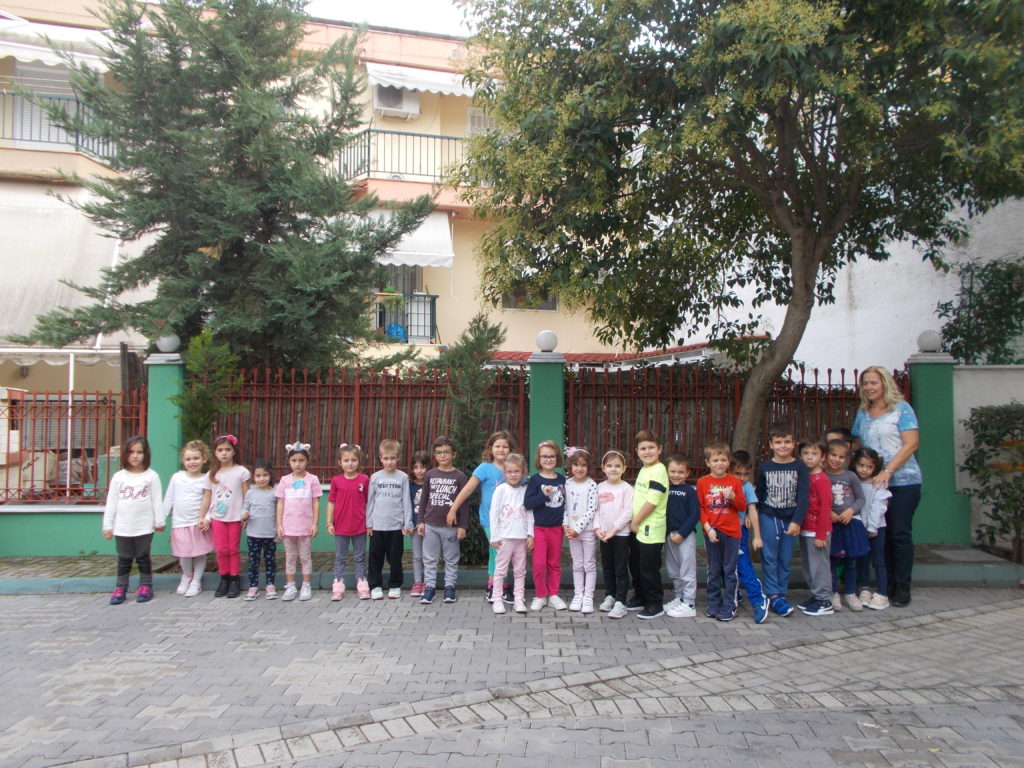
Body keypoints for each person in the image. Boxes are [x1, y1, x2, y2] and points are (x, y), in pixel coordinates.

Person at [852, 365, 922, 607]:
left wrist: (888, 470)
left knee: (898, 532)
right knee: (880, 533)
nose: (869, 387)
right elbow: (859, 445)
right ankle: (886, 584)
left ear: (884, 384)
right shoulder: (863, 412)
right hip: (873, 486)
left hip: (904, 482)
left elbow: (911, 444)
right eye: (865, 383)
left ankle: (902, 587)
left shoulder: (902, 409)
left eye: (874, 382)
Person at [447, 431, 515, 603]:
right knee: (498, 550)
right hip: (490, 519)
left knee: (502, 552)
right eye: (497, 446)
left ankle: (499, 585)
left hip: (510, 520)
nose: (501, 449)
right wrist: (453, 509)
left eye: (505, 446)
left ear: (510, 450)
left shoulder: (513, 469)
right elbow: (468, 490)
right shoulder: (484, 468)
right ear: (490, 448)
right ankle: (495, 587)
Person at [102, 435, 164, 604]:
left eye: (139, 452)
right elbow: (111, 502)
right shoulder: (119, 477)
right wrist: (107, 525)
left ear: (146, 454)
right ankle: (121, 587)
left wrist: (159, 521)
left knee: (143, 556)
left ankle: (146, 586)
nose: (135, 456)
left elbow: (157, 500)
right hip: (122, 527)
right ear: (125, 454)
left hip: (144, 525)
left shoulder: (152, 476)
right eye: (131, 452)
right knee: (124, 558)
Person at [755, 423, 809, 617]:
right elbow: (760, 494)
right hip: (768, 516)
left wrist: (797, 520)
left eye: (787, 442)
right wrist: (753, 517)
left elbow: (803, 496)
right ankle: (773, 595)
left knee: (785, 558)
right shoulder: (765, 467)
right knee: (769, 556)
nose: (783, 446)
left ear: (793, 443)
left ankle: (782, 593)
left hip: (790, 519)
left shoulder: (800, 467)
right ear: (771, 444)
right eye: (778, 442)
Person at [697, 441, 746, 622]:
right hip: (712, 532)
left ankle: (730, 605)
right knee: (714, 569)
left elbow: (742, 507)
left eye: (723, 460)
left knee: (729, 570)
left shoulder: (734, 482)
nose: (720, 463)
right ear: (708, 462)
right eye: (715, 460)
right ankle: (713, 603)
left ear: (728, 461)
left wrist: (732, 497)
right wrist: (707, 529)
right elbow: (701, 508)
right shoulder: (702, 482)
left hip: (732, 532)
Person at [198, 434, 250, 599]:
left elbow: (247, 495)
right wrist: (202, 517)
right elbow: (207, 497)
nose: (224, 453)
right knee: (221, 550)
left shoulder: (241, 472)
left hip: (235, 518)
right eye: (220, 450)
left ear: (234, 451)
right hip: (217, 518)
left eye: (227, 449)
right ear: (215, 453)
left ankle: (234, 579)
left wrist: (246, 514)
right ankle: (224, 578)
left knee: (233, 549)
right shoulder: (211, 474)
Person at [419, 436, 468, 605]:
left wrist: (462, 526)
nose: (442, 455)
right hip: (430, 525)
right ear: (434, 455)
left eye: (446, 452)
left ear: (454, 454)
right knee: (429, 558)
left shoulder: (460, 476)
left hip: (450, 527)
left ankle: (449, 587)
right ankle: (430, 588)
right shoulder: (430, 474)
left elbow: (464, 503)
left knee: (451, 558)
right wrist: (420, 521)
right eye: (439, 452)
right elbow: (424, 499)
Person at [164, 440, 213, 598]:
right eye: (188, 459)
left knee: (199, 553)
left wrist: (207, 519)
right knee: (184, 553)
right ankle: (187, 576)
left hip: (198, 523)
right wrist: (161, 518)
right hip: (180, 523)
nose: (192, 462)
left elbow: (210, 502)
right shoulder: (177, 478)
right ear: (183, 461)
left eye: (196, 458)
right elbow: (169, 498)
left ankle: (196, 581)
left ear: (204, 459)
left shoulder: (206, 479)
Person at [367, 439, 413, 600]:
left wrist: (407, 523)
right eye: (386, 458)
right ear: (380, 458)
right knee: (375, 557)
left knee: (395, 558)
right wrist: (369, 524)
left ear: (398, 457)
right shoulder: (375, 477)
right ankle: (375, 585)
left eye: (392, 458)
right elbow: (370, 502)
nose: (389, 462)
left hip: (396, 526)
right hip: (377, 526)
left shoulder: (403, 477)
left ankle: (395, 585)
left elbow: (406, 501)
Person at [824, 439, 868, 612]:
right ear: (826, 455)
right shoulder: (822, 476)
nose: (837, 459)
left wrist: (850, 511)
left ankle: (850, 593)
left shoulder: (851, 476)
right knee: (833, 561)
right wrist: (828, 512)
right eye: (833, 455)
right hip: (832, 525)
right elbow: (816, 500)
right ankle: (833, 592)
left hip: (850, 523)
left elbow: (861, 499)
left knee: (851, 560)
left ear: (847, 459)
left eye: (841, 457)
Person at [276, 442, 322, 602]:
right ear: (289, 461)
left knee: (305, 556)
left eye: (301, 460)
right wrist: (279, 524)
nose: (297, 464)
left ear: (307, 460)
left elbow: (316, 502)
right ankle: (290, 586)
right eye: (294, 460)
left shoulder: (312, 480)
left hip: (305, 526)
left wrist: (315, 523)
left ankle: (306, 585)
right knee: (290, 557)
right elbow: (280, 502)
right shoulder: (284, 480)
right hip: (288, 526)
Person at [524, 440, 567, 611]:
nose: (548, 459)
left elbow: (567, 504)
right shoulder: (535, 480)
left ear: (557, 458)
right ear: (539, 459)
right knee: (539, 564)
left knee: (554, 563)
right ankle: (541, 595)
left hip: (557, 529)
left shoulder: (563, 480)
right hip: (539, 529)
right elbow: (528, 503)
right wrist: (543, 495)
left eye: (552, 456)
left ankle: (553, 594)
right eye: (544, 456)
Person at [631, 430, 669, 620]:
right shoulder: (644, 470)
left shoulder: (659, 470)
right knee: (637, 565)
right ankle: (641, 597)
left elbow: (653, 501)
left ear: (659, 449)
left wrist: (636, 521)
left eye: (651, 448)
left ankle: (655, 604)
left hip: (651, 528)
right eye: (643, 448)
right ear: (637, 452)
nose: (647, 452)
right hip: (639, 528)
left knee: (649, 568)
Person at [489, 453, 533, 615]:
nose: (513, 475)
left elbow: (529, 513)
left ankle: (519, 599)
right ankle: (497, 598)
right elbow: (494, 513)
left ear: (522, 472)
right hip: (504, 538)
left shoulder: (525, 491)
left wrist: (530, 534)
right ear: (505, 473)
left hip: (521, 538)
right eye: (509, 471)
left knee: (520, 570)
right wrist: (494, 536)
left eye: (516, 471)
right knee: (500, 569)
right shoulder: (501, 490)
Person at [796, 439, 835, 617]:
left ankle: (824, 599)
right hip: (806, 529)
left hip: (817, 531)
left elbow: (826, 507)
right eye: (806, 453)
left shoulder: (822, 479)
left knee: (819, 565)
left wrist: (821, 534)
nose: (809, 457)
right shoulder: (805, 476)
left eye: (814, 454)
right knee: (809, 564)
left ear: (822, 457)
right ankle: (815, 595)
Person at [326, 443, 369, 600]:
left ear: (359, 461)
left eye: (353, 460)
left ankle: (362, 583)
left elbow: (368, 502)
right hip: (340, 528)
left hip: (360, 527)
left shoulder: (364, 480)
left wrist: (369, 523)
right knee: (340, 557)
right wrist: (329, 522)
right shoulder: (336, 480)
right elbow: (331, 502)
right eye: (346, 460)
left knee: (359, 557)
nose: (350, 463)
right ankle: (338, 584)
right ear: (340, 462)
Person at [729, 451, 768, 624]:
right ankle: (733, 594)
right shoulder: (723, 483)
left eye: (746, 474)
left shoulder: (747, 488)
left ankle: (758, 600)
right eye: (738, 473)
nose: (742, 478)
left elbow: (752, 510)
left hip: (739, 532)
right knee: (724, 567)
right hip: (721, 532)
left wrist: (757, 536)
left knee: (744, 567)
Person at [594, 450, 633, 619]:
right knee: (607, 566)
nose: (613, 469)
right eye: (609, 465)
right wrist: (597, 528)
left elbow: (628, 511)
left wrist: (614, 530)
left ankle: (621, 601)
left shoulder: (626, 488)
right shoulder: (599, 487)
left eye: (617, 466)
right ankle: (610, 595)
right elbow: (595, 510)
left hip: (621, 535)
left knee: (620, 568)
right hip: (604, 535)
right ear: (603, 468)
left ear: (624, 468)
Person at [852, 447, 891, 610]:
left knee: (878, 560)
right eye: (861, 465)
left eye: (869, 467)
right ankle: (865, 589)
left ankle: (882, 593)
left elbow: (879, 507)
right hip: (859, 528)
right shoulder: (853, 481)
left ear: (875, 467)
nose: (864, 470)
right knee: (862, 559)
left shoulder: (877, 484)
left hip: (876, 529)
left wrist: (872, 527)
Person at [664, 453, 699, 619]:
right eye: (673, 471)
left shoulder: (690, 491)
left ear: (687, 473)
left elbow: (694, 515)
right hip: (669, 535)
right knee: (673, 569)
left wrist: (682, 533)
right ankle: (680, 598)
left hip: (685, 536)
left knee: (687, 569)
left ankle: (689, 603)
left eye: (680, 472)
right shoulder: (666, 488)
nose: (676, 475)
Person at [563, 447, 598, 613]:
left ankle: (588, 597)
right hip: (572, 532)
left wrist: (578, 528)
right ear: (570, 465)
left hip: (587, 532)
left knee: (589, 564)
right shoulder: (567, 484)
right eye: (576, 464)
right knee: (577, 564)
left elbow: (591, 510)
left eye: (583, 465)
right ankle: (578, 595)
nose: (579, 468)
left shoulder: (592, 485)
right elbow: (564, 507)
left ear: (588, 467)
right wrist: (566, 525)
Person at [242, 458, 278, 600]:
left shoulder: (275, 492)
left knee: (270, 561)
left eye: (265, 475)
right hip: (253, 534)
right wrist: (244, 515)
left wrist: (278, 530)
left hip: (270, 534)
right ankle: (253, 587)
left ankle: (270, 585)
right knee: (253, 561)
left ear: (270, 475)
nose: (261, 479)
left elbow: (279, 512)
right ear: (253, 476)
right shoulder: (250, 493)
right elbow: (245, 508)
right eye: (258, 476)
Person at [408, 451, 430, 597]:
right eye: (416, 467)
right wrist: (408, 523)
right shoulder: (409, 486)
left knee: (429, 556)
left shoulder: (432, 485)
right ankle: (418, 582)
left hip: (430, 526)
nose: (419, 470)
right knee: (417, 555)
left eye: (423, 467)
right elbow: (406, 505)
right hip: (415, 526)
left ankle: (428, 582)